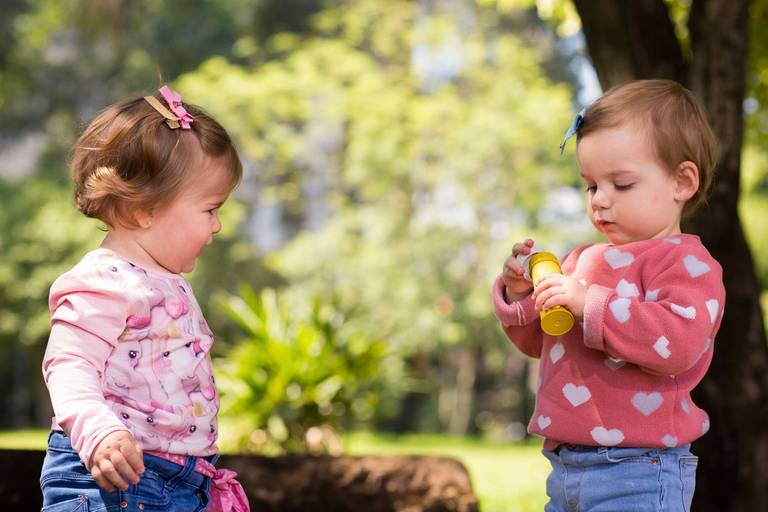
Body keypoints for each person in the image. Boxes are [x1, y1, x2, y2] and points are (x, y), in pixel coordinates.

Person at [493, 79, 725, 511]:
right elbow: (540, 343)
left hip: (639, 468)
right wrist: (518, 293)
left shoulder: (686, 264)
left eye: (620, 184)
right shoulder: (583, 260)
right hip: (565, 468)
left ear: (682, 181)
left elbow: (677, 345)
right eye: (591, 186)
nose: (600, 201)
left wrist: (588, 303)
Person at [40, 86, 249, 512]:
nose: (218, 225)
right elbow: (69, 363)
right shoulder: (104, 280)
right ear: (143, 210)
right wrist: (99, 433)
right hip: (115, 480)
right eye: (210, 209)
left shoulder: (164, 279)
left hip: (175, 481)